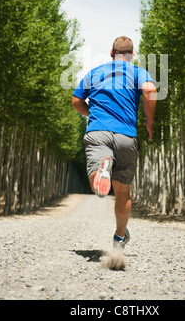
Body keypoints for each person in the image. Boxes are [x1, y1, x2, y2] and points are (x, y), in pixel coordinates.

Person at [72, 36, 156, 249]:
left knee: (97, 183)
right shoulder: (138, 72)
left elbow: (76, 101)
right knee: (123, 191)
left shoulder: (96, 72)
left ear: (111, 53)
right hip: (126, 137)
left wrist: (92, 115)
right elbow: (149, 91)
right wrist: (149, 122)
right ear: (131, 55)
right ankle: (119, 238)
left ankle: (102, 169)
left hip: (98, 133)